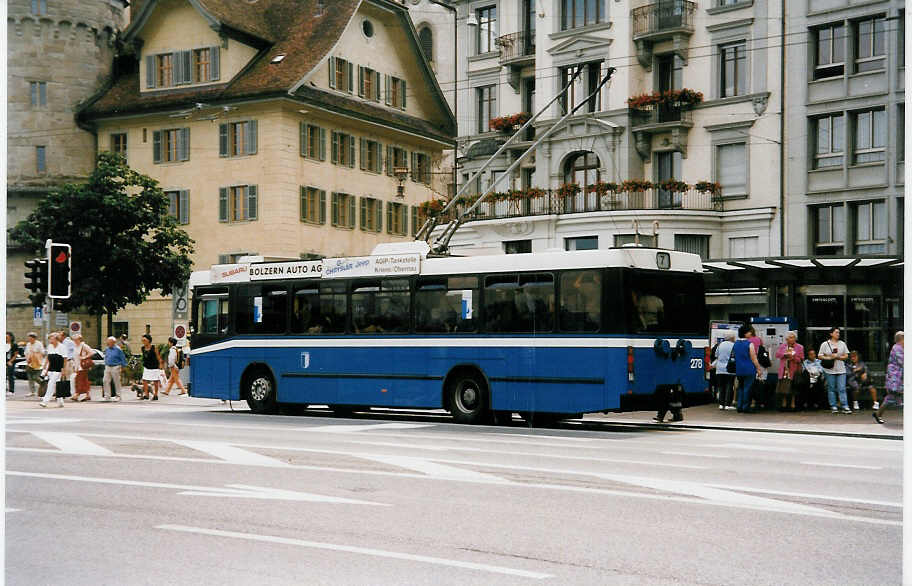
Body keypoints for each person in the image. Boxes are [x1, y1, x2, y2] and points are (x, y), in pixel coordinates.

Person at [819, 326, 851, 414]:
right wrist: (829, 357)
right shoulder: (825, 344)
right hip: (830, 369)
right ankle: (833, 406)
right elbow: (820, 355)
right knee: (831, 388)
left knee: (842, 388)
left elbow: (847, 355)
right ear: (831, 334)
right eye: (836, 332)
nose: (838, 334)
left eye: (839, 332)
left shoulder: (842, 343)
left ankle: (845, 406)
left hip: (841, 369)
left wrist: (839, 357)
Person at [733, 324, 764, 413]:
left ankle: (739, 406)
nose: (750, 333)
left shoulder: (736, 344)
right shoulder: (749, 344)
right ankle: (745, 407)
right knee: (747, 388)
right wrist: (758, 369)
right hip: (749, 369)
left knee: (741, 387)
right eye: (749, 332)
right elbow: (753, 358)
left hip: (739, 369)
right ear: (745, 334)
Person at [874, 331, 902, 424]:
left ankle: (878, 413)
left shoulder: (900, 347)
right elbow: (903, 361)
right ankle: (878, 413)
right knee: (891, 398)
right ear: (901, 339)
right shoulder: (897, 348)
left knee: (891, 398)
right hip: (896, 379)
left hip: (898, 379)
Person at [774, 331, 804, 411]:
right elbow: (777, 355)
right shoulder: (783, 346)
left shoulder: (800, 347)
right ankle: (784, 404)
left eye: (793, 337)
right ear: (786, 339)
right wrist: (784, 354)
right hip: (784, 370)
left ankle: (792, 404)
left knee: (794, 388)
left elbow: (801, 359)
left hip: (794, 370)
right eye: (790, 337)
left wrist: (793, 357)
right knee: (783, 387)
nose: (792, 339)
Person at [40, 334, 66, 408]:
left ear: (56, 339)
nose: (50, 340)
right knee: (55, 384)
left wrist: (63, 369)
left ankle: (45, 401)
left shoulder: (62, 347)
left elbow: (65, 359)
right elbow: (48, 357)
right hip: (51, 367)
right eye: (49, 339)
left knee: (51, 384)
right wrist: (45, 366)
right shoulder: (50, 346)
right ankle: (60, 402)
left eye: (52, 339)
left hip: (58, 368)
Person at [713, 331, 736, 410]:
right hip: (730, 369)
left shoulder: (720, 345)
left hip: (719, 369)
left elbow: (716, 355)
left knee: (721, 387)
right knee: (729, 386)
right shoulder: (734, 345)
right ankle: (727, 404)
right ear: (732, 337)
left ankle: (721, 404)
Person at [139, 334, 163, 401]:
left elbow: (159, 357)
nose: (143, 342)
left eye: (144, 340)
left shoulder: (154, 348)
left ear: (149, 341)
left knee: (155, 381)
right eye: (142, 340)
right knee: (144, 380)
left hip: (154, 366)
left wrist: (161, 365)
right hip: (146, 366)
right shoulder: (142, 348)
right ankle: (146, 395)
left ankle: (155, 395)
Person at [71, 334, 94, 402]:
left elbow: (91, 352)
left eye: (76, 339)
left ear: (80, 339)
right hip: (78, 366)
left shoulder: (83, 346)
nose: (75, 341)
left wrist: (84, 357)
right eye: (74, 340)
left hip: (83, 366)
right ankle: (87, 395)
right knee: (84, 381)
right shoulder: (75, 346)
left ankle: (77, 394)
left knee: (80, 380)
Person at [102, 336, 126, 402]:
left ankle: (118, 396)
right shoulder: (107, 349)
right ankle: (107, 396)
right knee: (105, 380)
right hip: (108, 366)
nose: (107, 343)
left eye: (109, 342)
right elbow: (106, 356)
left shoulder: (118, 349)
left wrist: (123, 367)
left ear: (113, 342)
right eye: (107, 342)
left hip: (116, 366)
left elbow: (123, 358)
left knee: (116, 381)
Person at [24, 332, 45, 398]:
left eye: (31, 338)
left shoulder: (39, 344)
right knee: (30, 378)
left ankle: (43, 384)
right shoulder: (28, 344)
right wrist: (27, 358)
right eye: (29, 338)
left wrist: (35, 353)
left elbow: (43, 352)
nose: (29, 339)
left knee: (35, 377)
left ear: (34, 338)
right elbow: (26, 352)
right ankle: (32, 392)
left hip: (38, 363)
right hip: (30, 363)